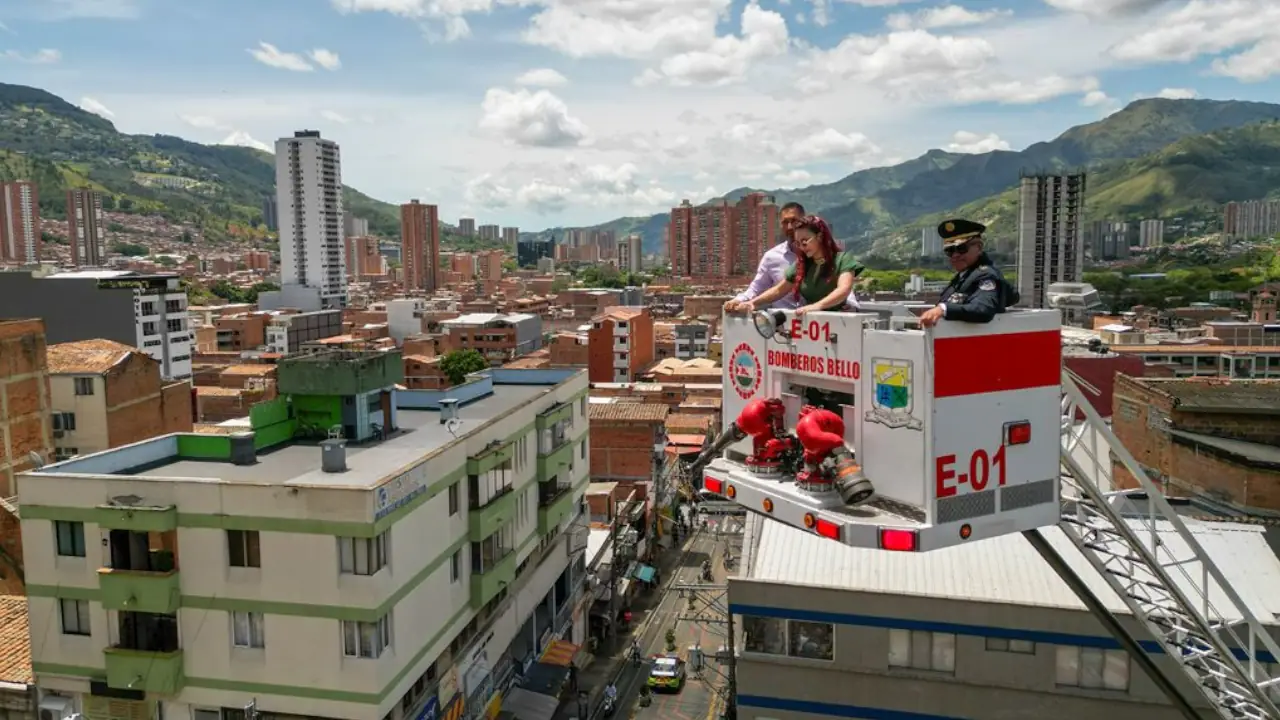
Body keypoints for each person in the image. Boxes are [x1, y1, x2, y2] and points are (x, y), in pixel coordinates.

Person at [725, 204, 862, 313]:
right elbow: (779, 290)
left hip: (837, 325)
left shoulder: (842, 259)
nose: (802, 247)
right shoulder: (801, 264)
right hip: (806, 324)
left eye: (805, 241)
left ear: (819, 237)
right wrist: (751, 303)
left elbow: (844, 289)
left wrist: (817, 307)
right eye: (798, 243)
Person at [919, 218, 1019, 327]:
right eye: (950, 251)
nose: (955, 255)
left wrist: (943, 309)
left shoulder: (986, 276)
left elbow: (982, 309)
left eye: (961, 248)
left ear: (979, 248)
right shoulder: (963, 277)